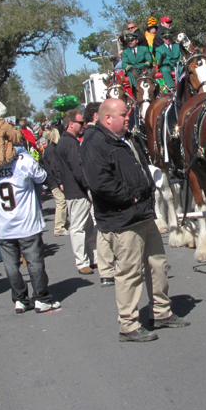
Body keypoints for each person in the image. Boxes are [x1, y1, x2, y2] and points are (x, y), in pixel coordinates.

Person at [80, 98, 190, 342]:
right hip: (122, 219)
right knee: (130, 273)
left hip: (143, 214)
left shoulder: (128, 138)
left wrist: (147, 190)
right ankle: (128, 325)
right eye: (123, 114)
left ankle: (161, 312)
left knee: (157, 265)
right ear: (107, 118)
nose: (128, 117)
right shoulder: (94, 143)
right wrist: (130, 198)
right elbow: (99, 182)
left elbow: (142, 167)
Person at [0, 148, 62, 314]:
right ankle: (41, 298)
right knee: (34, 263)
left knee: (11, 266)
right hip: (26, 223)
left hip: (4, 224)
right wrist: (22, 152)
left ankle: (20, 299)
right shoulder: (23, 161)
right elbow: (42, 176)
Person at [56, 110, 95, 274]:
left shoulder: (66, 142)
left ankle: (93, 258)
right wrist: (89, 185)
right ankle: (82, 262)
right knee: (78, 228)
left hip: (77, 191)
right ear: (71, 124)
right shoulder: (69, 143)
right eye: (80, 123)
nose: (83, 126)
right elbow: (77, 169)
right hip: (77, 191)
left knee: (89, 226)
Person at [82, 102, 115, 287]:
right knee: (104, 227)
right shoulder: (94, 135)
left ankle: (106, 269)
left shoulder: (89, 134)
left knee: (103, 227)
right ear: (97, 116)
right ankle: (107, 269)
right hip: (101, 187)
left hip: (97, 186)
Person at [41, 128, 67, 236]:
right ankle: (59, 227)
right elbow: (54, 167)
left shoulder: (50, 148)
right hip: (54, 181)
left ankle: (63, 224)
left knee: (62, 202)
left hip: (53, 180)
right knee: (61, 202)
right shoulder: (51, 150)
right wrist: (60, 181)